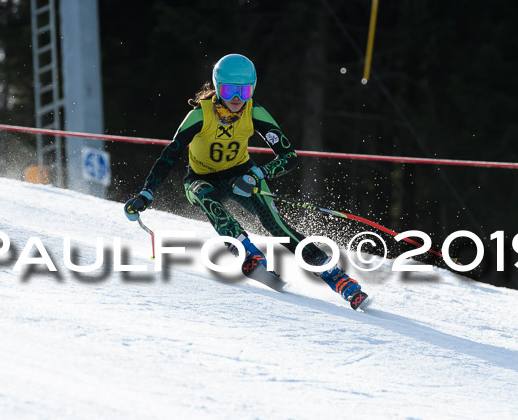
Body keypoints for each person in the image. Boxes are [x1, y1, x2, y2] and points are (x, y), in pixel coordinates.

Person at [124, 53, 366, 307]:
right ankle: (247, 252)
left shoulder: (255, 112)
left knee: (278, 228)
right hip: (200, 179)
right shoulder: (199, 116)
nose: (237, 99)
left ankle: (337, 278)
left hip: (242, 174)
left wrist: (257, 174)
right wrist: (146, 194)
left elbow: (289, 157)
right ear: (218, 88)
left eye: (245, 91)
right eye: (229, 91)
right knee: (208, 199)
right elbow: (168, 158)